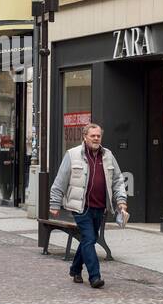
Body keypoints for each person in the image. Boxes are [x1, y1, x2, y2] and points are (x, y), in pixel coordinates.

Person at [49, 123, 129, 289]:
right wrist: (55, 203)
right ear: (85, 136)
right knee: (90, 238)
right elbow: (60, 180)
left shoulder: (108, 155)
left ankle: (75, 269)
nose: (96, 138)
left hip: (100, 207)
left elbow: (118, 180)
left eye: (98, 136)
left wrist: (121, 201)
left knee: (87, 239)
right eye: (92, 135)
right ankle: (95, 276)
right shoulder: (72, 155)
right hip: (80, 207)